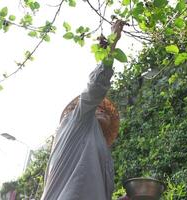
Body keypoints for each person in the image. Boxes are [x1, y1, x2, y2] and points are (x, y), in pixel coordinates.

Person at [40, 20, 128, 200]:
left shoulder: (100, 151)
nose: (104, 112)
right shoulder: (77, 121)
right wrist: (112, 42)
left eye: (107, 113)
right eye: (99, 109)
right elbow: (96, 87)